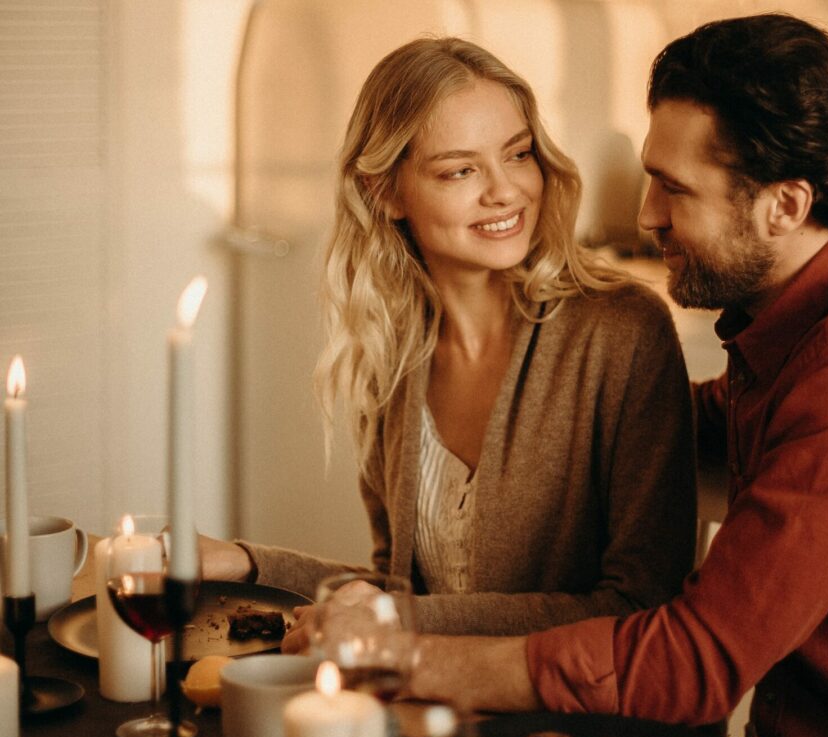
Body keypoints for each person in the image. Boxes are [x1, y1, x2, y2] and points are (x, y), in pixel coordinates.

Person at [407, 14, 828, 737]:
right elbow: (692, 427)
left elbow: (696, 661)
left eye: (676, 188)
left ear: (784, 205)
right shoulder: (802, 314)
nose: (647, 216)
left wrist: (416, 663)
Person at [202, 37, 696, 640]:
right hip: (435, 706)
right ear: (385, 192)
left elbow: (639, 607)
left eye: (517, 155)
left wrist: (392, 617)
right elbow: (400, 593)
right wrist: (246, 564)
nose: (506, 191)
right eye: (461, 169)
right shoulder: (391, 354)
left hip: (572, 727)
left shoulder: (621, 332)